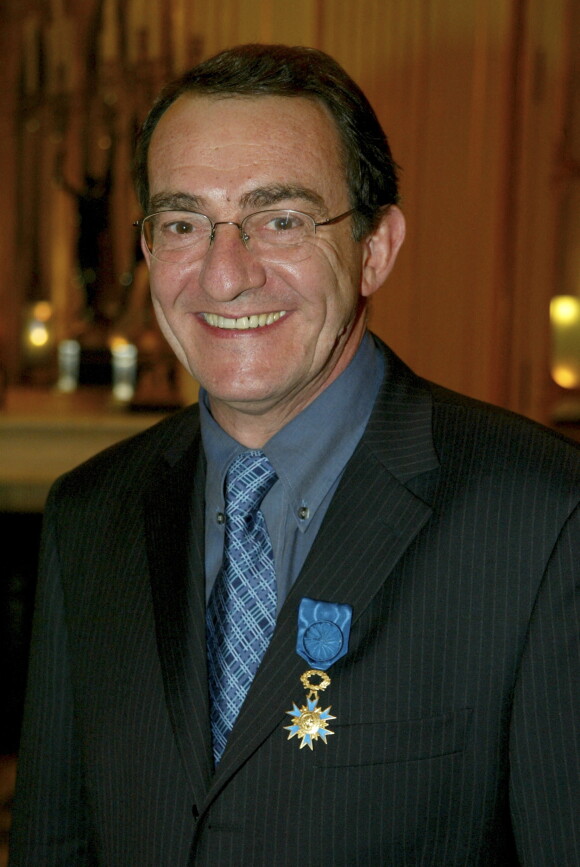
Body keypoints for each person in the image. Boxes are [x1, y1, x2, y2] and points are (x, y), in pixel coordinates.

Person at [10, 44, 579, 866]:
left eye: (280, 220)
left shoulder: (542, 518)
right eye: (182, 223)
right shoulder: (89, 513)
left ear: (376, 247)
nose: (225, 274)